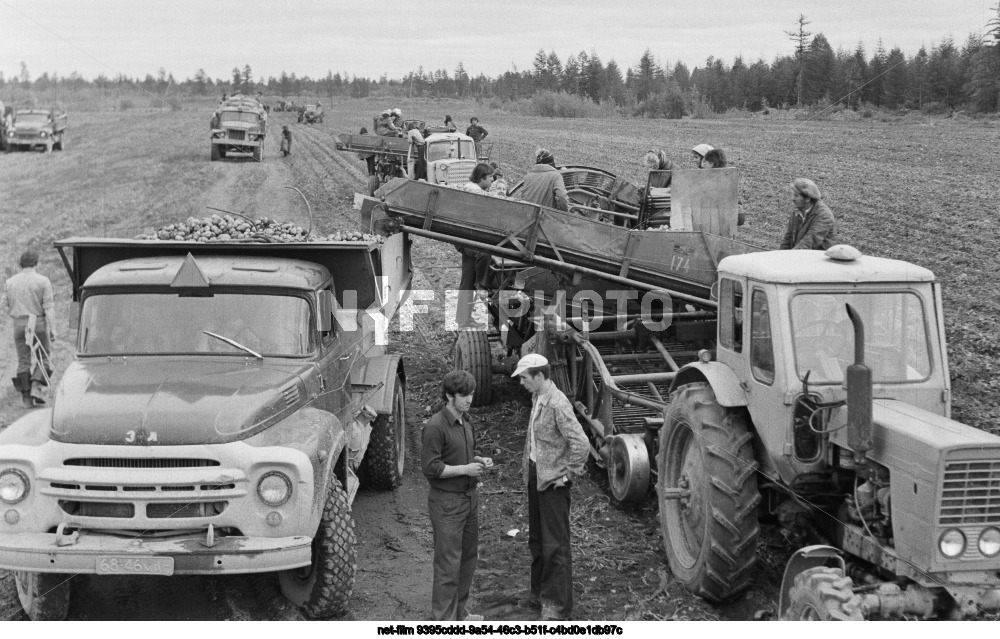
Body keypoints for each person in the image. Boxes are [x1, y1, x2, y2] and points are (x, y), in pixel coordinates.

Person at [512, 354, 590, 621]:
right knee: (537, 540)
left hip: (554, 484)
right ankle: (538, 595)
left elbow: (581, 443)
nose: (521, 382)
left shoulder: (557, 403)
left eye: (524, 377)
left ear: (540, 376)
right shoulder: (538, 398)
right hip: (537, 476)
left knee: (555, 546)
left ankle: (557, 606)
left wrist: (567, 476)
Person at [421, 370, 492, 622]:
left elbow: (461, 455)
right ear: (450, 395)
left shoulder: (466, 421)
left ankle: (459, 613)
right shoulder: (436, 426)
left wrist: (478, 459)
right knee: (448, 564)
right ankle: (443, 620)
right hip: (447, 503)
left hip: (469, 499)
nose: (469, 399)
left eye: (471, 394)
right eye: (464, 395)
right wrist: (466, 469)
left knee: (468, 559)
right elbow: (432, 468)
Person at [3, 249, 57, 408]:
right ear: (36, 262)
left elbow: (3, 305)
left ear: (21, 263)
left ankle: (26, 397)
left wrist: (14, 315)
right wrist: (53, 328)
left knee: (23, 360)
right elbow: (48, 307)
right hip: (38, 322)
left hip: (19, 323)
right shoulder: (43, 281)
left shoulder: (10, 282)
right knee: (43, 356)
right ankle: (36, 386)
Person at [781, 178, 837, 250]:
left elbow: (809, 242)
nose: (793, 199)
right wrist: (779, 256)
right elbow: (788, 238)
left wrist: (790, 256)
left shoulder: (824, 216)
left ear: (808, 198)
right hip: (799, 254)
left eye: (796, 196)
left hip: (817, 258)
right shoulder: (797, 212)